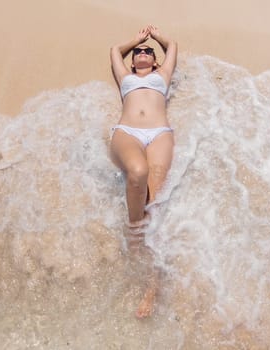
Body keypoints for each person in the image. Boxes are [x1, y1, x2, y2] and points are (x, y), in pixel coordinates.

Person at [109, 25, 177, 318]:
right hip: (128, 132)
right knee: (137, 172)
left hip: (159, 134)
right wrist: (136, 39)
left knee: (156, 205)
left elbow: (172, 46)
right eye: (138, 52)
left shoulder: (162, 77)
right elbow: (114, 51)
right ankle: (134, 233)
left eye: (148, 52)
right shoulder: (125, 78)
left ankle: (152, 287)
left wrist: (157, 39)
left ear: (156, 60)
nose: (143, 53)